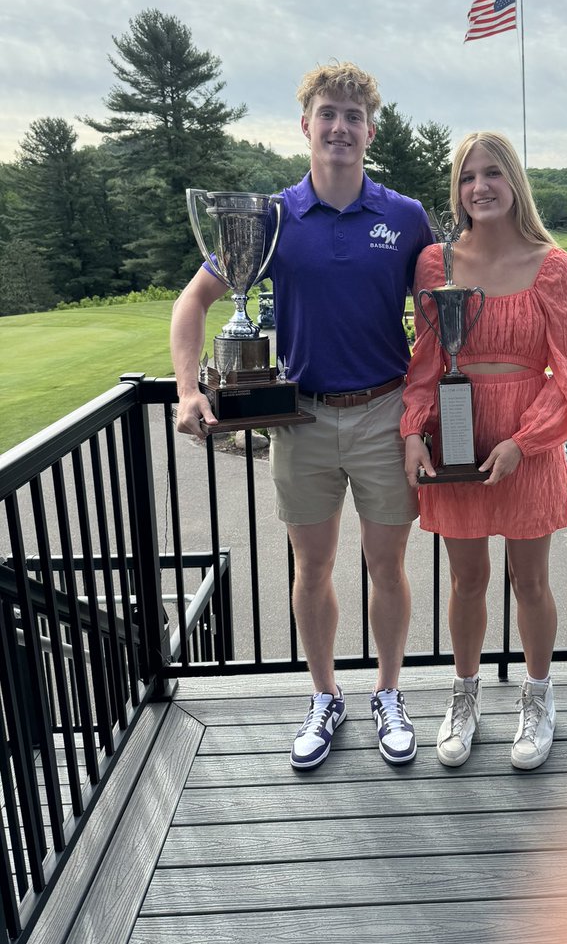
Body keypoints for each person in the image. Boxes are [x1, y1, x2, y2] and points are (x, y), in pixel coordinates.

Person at [170, 62, 433, 770]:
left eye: (354, 116)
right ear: (306, 125)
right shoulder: (271, 218)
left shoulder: (405, 217)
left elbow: (445, 313)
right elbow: (190, 303)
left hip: (384, 413)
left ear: (370, 131)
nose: (341, 127)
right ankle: (324, 697)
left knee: (387, 565)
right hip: (301, 419)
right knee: (312, 566)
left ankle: (387, 693)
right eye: (329, 113)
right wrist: (190, 390)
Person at [401, 131, 567, 770]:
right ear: (457, 190)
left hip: (526, 444)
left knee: (530, 582)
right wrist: (411, 431)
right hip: (456, 437)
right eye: (466, 176)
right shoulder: (437, 263)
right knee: (467, 580)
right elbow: (425, 363)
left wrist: (524, 441)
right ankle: (464, 697)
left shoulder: (554, 265)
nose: (479, 186)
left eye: (492, 174)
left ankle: (538, 698)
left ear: (514, 184)